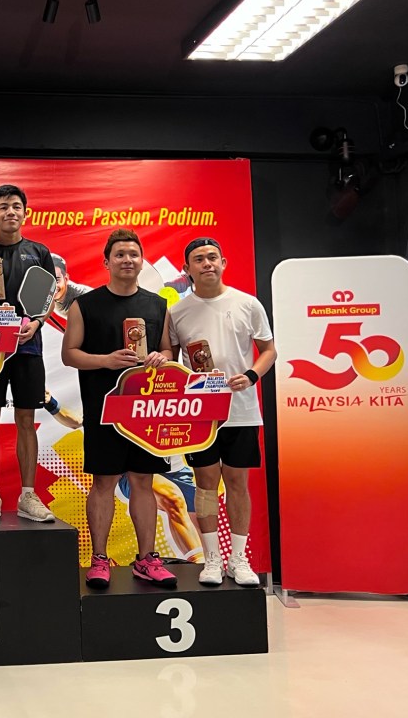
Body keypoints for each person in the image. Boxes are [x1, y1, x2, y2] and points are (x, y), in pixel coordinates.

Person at [60, 229, 178, 589]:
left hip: (145, 410)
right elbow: (69, 354)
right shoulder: (85, 305)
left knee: (143, 481)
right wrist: (106, 360)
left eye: (133, 254)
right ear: (106, 262)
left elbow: (168, 350)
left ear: (142, 261)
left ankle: (146, 560)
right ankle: (99, 558)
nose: (128, 260)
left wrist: (162, 357)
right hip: (103, 409)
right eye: (120, 254)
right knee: (104, 482)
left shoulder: (158, 305)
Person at [169, 237, 276, 586]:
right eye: (199, 259)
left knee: (237, 483)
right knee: (205, 485)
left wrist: (251, 375)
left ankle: (238, 559)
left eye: (213, 257)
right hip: (200, 413)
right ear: (187, 269)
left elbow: (269, 350)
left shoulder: (247, 303)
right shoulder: (177, 312)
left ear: (224, 262)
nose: (207, 264)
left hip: (241, 410)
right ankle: (212, 558)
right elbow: (171, 360)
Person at [0, 184, 56, 523]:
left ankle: (27, 495)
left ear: (25, 213)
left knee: (26, 420)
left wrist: (37, 324)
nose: (11, 212)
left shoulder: (39, 252)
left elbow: (48, 298)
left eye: (16, 206)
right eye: (3, 207)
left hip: (28, 346)